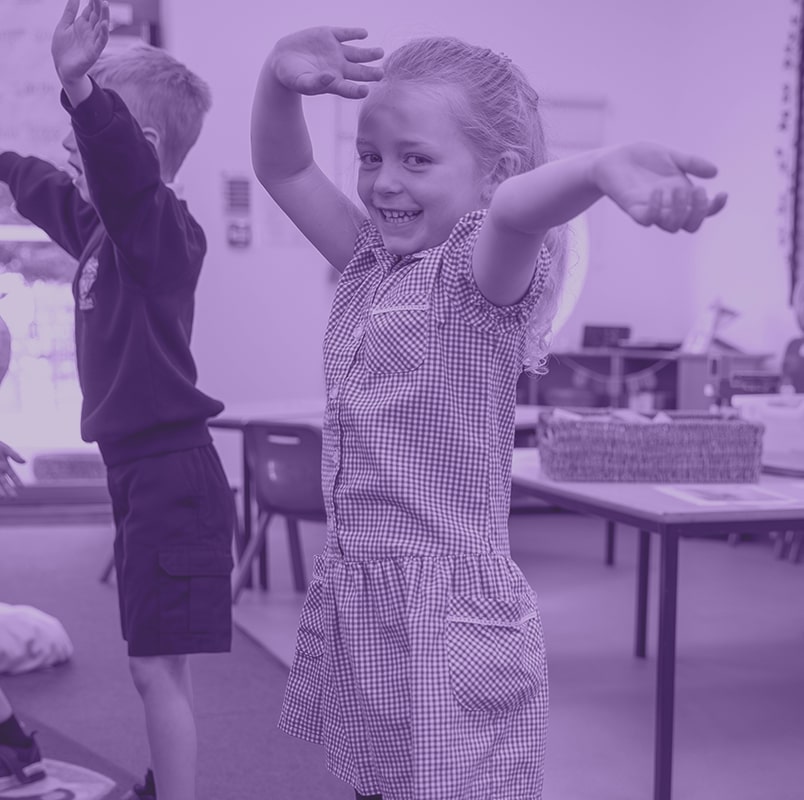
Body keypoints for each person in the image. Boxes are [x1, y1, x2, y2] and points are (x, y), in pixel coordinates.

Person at [251, 24, 727, 800]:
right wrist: (277, 78)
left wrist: (601, 169)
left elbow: (515, 215)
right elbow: (284, 164)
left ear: (493, 172)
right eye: (371, 156)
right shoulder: (370, 262)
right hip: (372, 606)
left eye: (416, 159)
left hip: (448, 620)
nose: (383, 183)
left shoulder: (481, 282)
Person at [0, 2, 235, 799]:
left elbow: (122, 176)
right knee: (158, 666)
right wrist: (2, 162)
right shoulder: (107, 231)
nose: (70, 136)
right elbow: (47, 192)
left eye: (86, 125)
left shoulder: (161, 230)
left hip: (173, 475)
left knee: (150, 670)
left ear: (141, 151)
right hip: (142, 474)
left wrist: (78, 86)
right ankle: (167, 783)